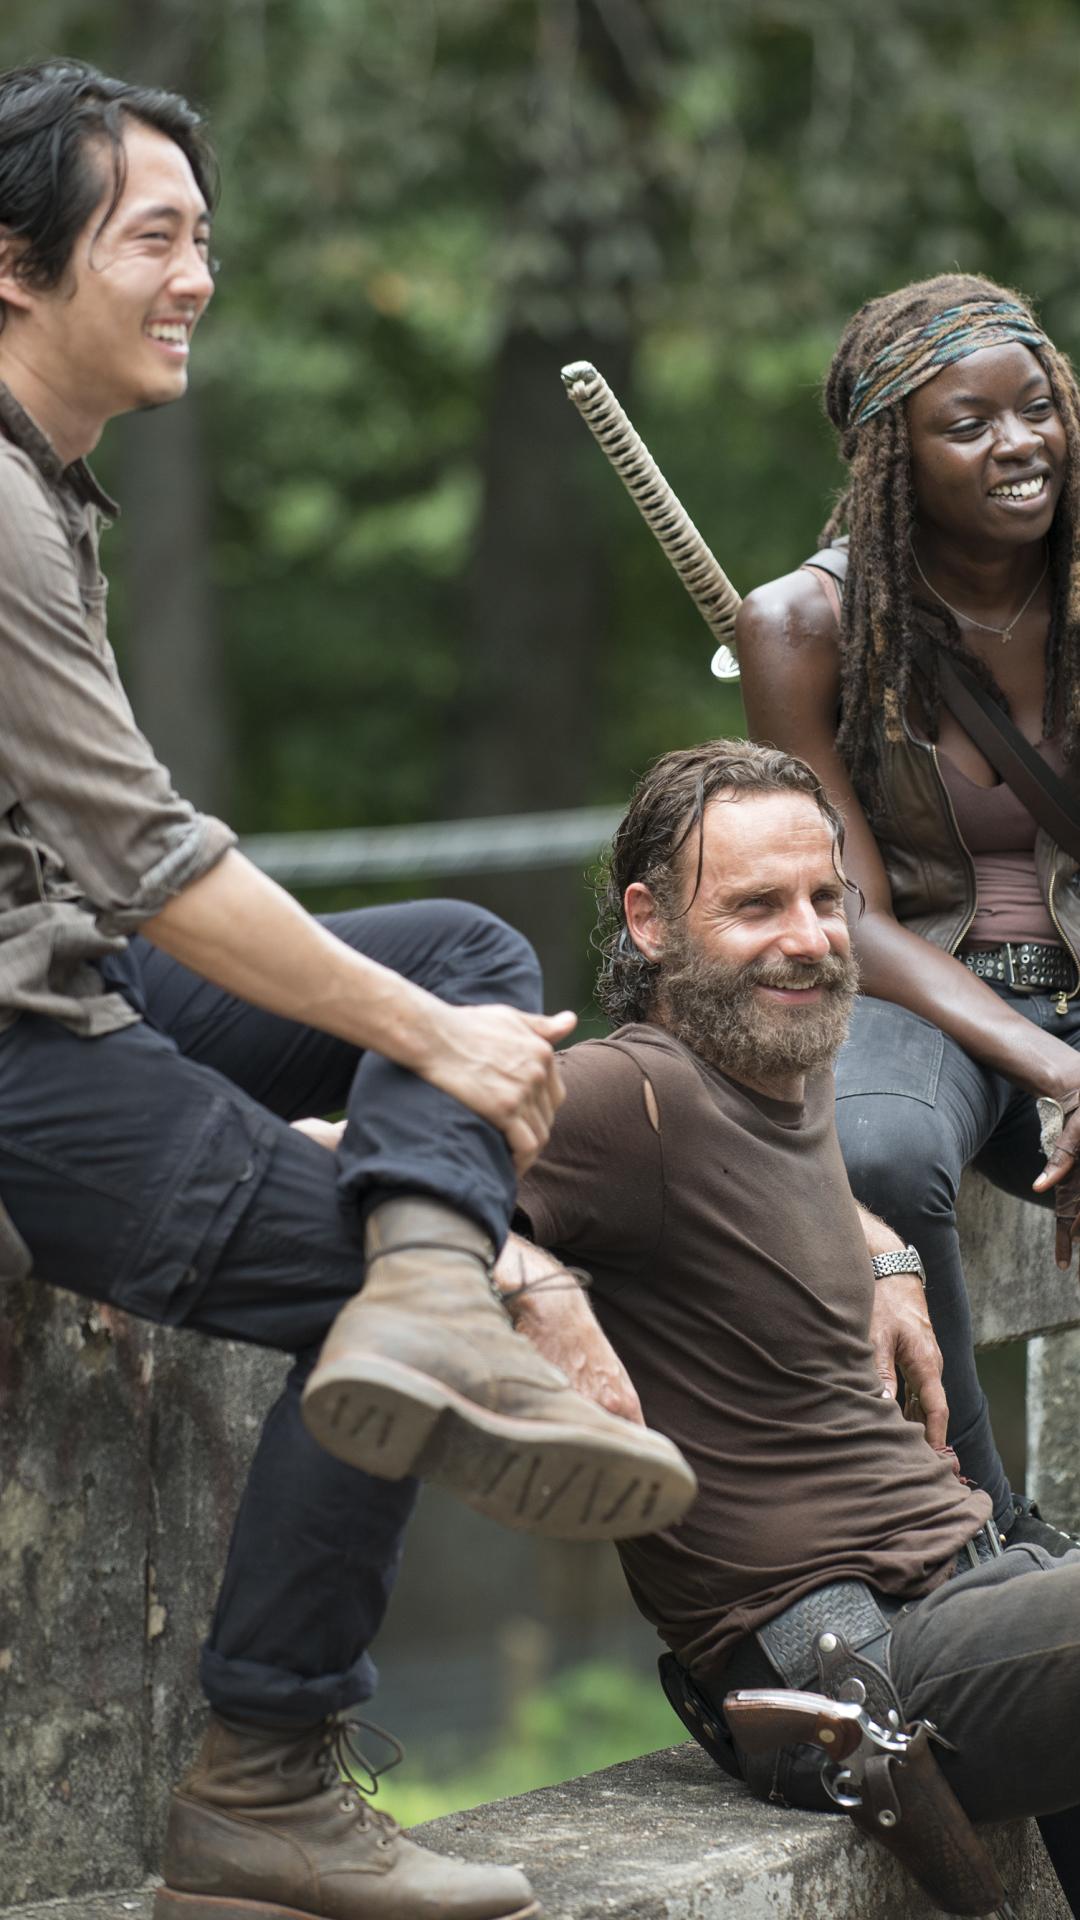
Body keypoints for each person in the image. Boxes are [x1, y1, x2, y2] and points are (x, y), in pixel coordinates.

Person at [0, 59, 696, 1920]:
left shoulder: (45, 485)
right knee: (372, 1302)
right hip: (22, 1050)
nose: (198, 277)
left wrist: (424, 1041)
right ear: (13, 260)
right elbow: (150, 856)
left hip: (77, 981)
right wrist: (429, 1057)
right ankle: (263, 1783)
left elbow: (115, 879)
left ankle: (433, 1277)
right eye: (155, 237)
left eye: (204, 239)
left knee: (462, 945)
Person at [510, 738, 1080, 1910]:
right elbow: (376, 1162)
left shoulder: (782, 1064)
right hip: (848, 1671)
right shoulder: (631, 1094)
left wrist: (882, 1247)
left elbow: (769, 1175)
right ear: (651, 922)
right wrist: (527, 1276)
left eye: (827, 899)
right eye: (757, 905)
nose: (809, 938)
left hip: (975, 1592)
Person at [734, 272, 1080, 1555]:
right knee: (877, 1155)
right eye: (968, 425)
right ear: (893, 453)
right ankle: (980, 1532)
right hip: (925, 987)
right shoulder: (801, 625)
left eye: (1038, 408)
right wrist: (1057, 1068)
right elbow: (851, 917)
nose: (1020, 444)